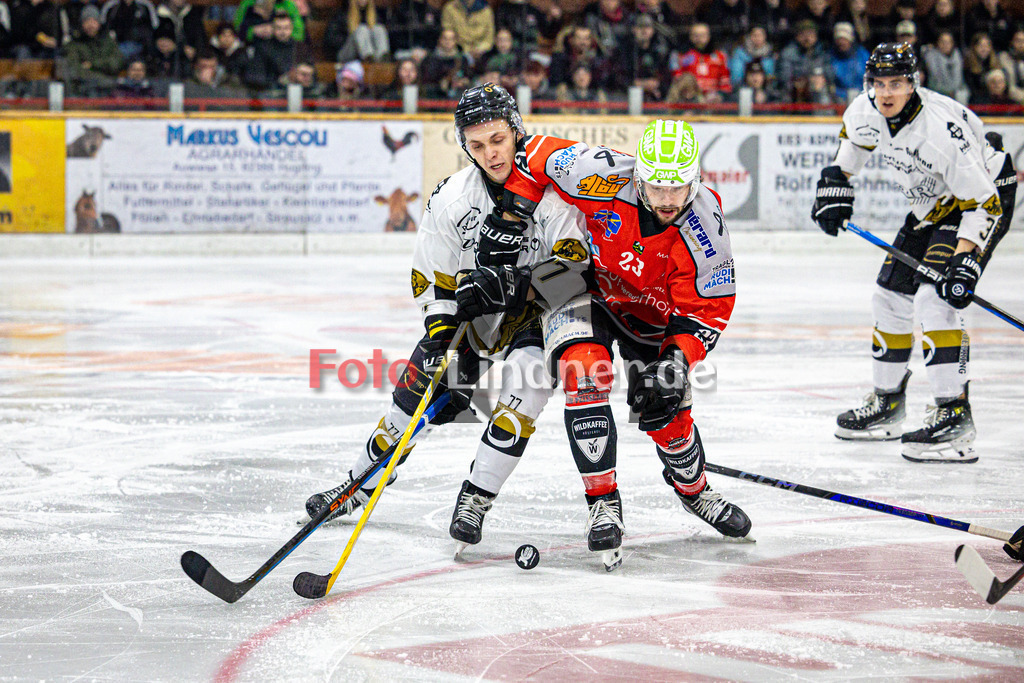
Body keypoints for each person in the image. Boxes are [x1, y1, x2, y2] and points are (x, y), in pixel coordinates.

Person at [303, 84, 591, 556]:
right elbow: (428, 271)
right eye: (476, 145)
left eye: (497, 139)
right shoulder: (453, 197)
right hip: (474, 317)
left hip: (536, 317)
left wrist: (520, 287)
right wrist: (440, 328)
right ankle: (356, 486)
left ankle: (475, 498)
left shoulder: (555, 190)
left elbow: (578, 267)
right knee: (411, 401)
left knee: (523, 396)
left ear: (517, 131)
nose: (490, 153)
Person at [504, 120, 753, 569]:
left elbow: (709, 306)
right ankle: (602, 503)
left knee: (666, 413)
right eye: (656, 187)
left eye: (678, 188)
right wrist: (513, 213)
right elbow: (531, 151)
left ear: (695, 179)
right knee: (584, 374)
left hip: (656, 315)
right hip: (588, 289)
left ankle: (694, 490)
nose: (667, 200)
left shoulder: (706, 222)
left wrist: (673, 367)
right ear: (638, 176)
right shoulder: (598, 173)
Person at [811, 43, 1017, 462]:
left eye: (898, 83)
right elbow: (849, 152)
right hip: (932, 206)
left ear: (914, 84)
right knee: (888, 296)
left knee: (935, 299)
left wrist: (966, 261)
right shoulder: (865, 111)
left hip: (981, 199)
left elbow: (984, 201)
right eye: (879, 83)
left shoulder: (939, 131)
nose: (886, 93)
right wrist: (833, 187)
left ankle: (954, 415)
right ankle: (887, 405)